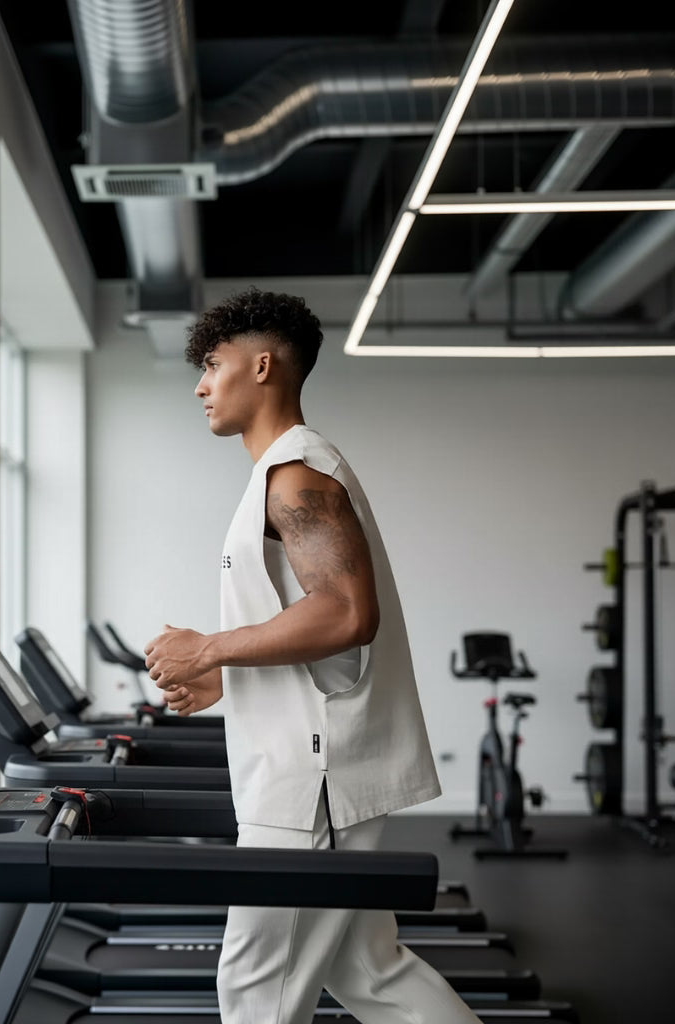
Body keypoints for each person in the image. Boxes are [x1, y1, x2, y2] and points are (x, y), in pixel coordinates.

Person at [143, 287, 480, 1024]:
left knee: (257, 986)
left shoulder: (296, 474)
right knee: (369, 970)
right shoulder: (283, 472)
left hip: (310, 780)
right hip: (311, 764)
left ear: (262, 366)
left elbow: (348, 613)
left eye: (212, 364)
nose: (200, 385)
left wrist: (208, 647)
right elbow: (312, 620)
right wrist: (222, 671)